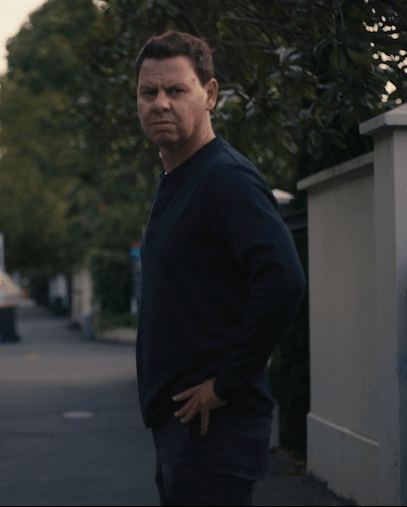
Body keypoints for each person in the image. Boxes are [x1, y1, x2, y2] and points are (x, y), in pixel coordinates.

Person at [133, 31, 306, 506]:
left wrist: (227, 385)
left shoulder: (224, 177)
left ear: (209, 95)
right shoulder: (179, 177)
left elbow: (284, 281)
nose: (161, 104)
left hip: (213, 428)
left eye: (176, 90)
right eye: (149, 93)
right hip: (183, 428)